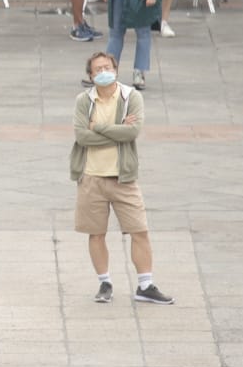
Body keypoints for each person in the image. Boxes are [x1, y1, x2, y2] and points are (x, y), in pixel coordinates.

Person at [71, 51, 173, 305]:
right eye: (98, 69)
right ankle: (104, 283)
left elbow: (132, 132)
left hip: (123, 178)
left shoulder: (131, 97)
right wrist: (117, 131)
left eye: (107, 67)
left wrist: (97, 127)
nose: (103, 72)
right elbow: (82, 137)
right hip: (91, 177)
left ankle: (145, 285)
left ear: (116, 69)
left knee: (139, 230)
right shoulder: (84, 101)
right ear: (90, 76)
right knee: (96, 233)